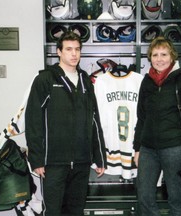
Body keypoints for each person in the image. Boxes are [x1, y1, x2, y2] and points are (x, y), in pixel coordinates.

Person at [25, 31, 107, 216]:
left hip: (81, 161)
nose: (74, 54)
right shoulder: (45, 80)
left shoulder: (86, 81)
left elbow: (94, 120)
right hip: (54, 163)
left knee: (76, 211)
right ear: (59, 52)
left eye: (77, 49)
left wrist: (99, 156)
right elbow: (33, 121)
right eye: (69, 49)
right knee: (53, 212)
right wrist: (37, 158)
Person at [133, 36, 181, 216]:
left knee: (175, 196)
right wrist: (137, 148)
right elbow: (141, 117)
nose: (159, 59)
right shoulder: (146, 81)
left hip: (174, 148)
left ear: (172, 57)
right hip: (148, 149)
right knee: (144, 196)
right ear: (150, 57)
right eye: (155, 54)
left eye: (164, 54)